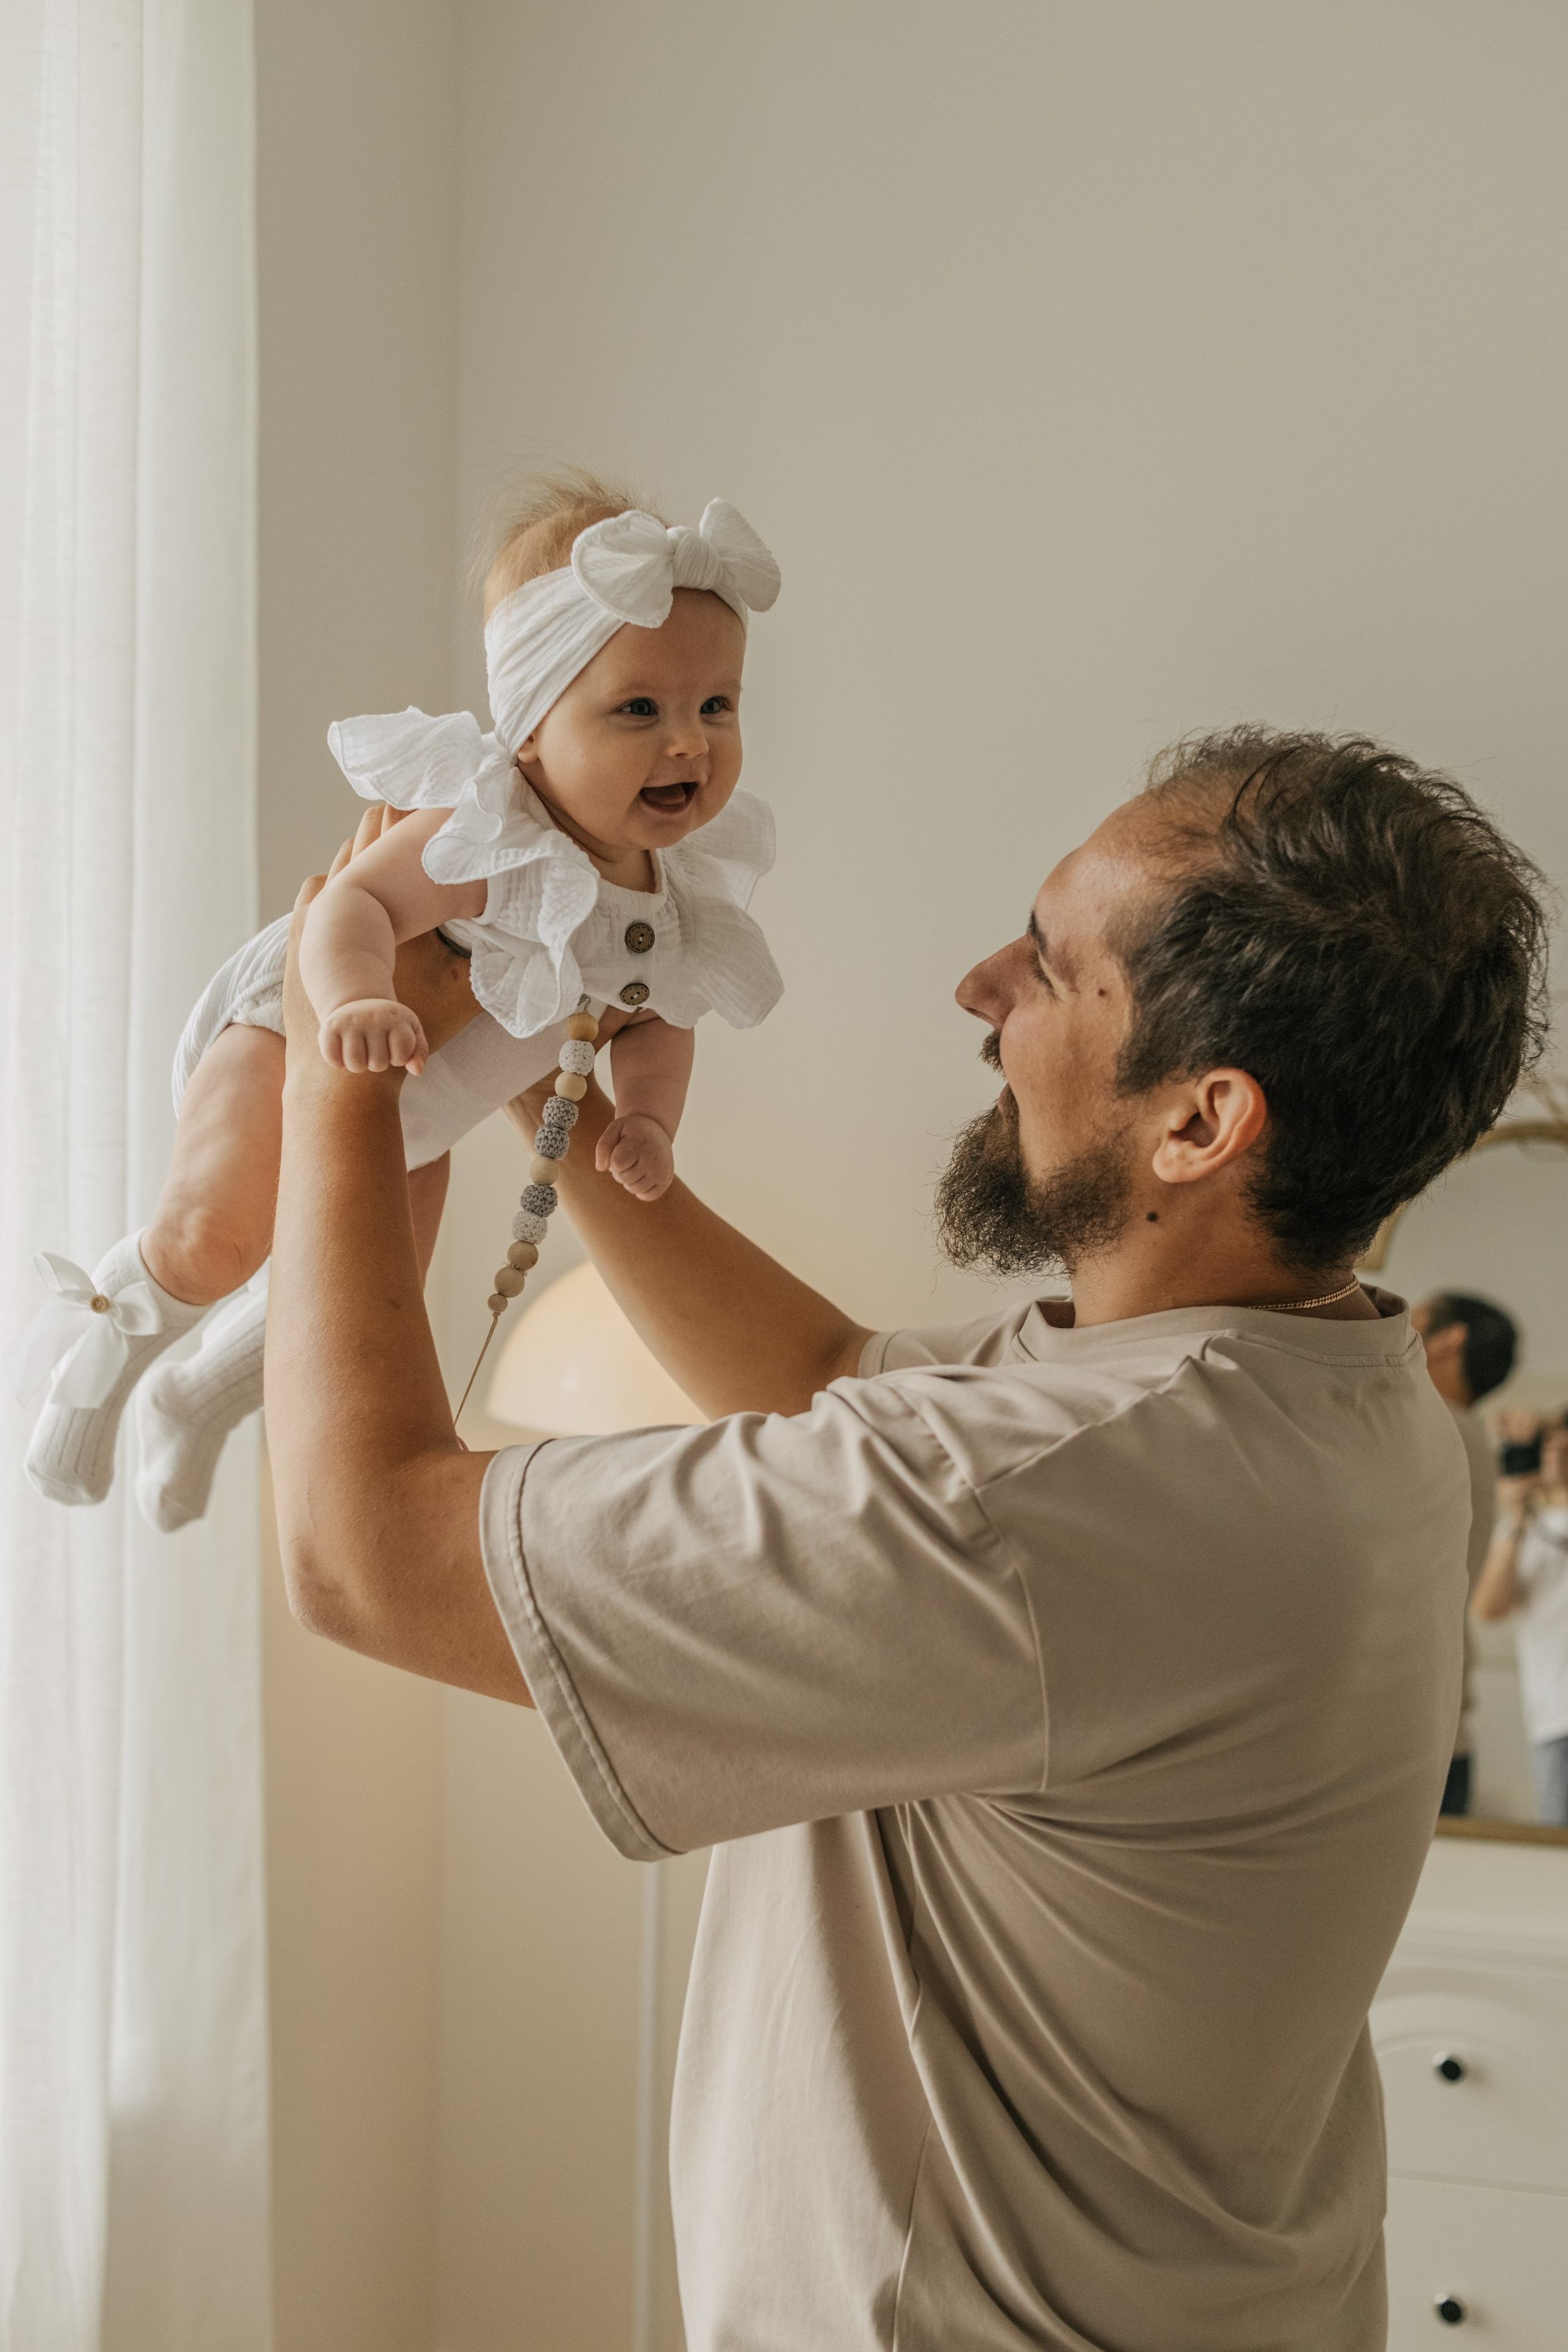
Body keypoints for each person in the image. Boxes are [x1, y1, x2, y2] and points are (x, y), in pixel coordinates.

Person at [266, 728, 1546, 2350]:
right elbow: (823, 1389)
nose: (980, 988)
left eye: (1048, 966)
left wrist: (335, 1056)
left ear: (1203, 1122)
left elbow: (364, 1554)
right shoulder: (1334, 1387)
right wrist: (554, 1054)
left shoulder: (1048, 1493)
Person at [20, 478, 782, 1529]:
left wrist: (649, 1116)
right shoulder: (490, 832)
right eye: (639, 709)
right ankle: (90, 1364)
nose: (689, 742)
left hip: (420, 1117)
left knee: (356, 1311)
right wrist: (353, 998)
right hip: (293, 1031)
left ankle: (195, 1404)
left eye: (717, 707)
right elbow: (349, 905)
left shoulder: (677, 897)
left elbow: (658, 1019)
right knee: (215, 1237)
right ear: (527, 729)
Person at [1411, 1291, 1517, 1814]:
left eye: (1414, 1318)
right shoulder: (1460, 1433)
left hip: (1411, 1745)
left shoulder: (1431, 1426)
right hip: (1430, 1735)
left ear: (1449, 1341)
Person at [1472, 1416, 1568, 1825]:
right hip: (1554, 1714)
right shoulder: (1523, 1527)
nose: (1558, 1462)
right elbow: (1488, 1609)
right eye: (1550, 1451)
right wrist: (1515, 1515)